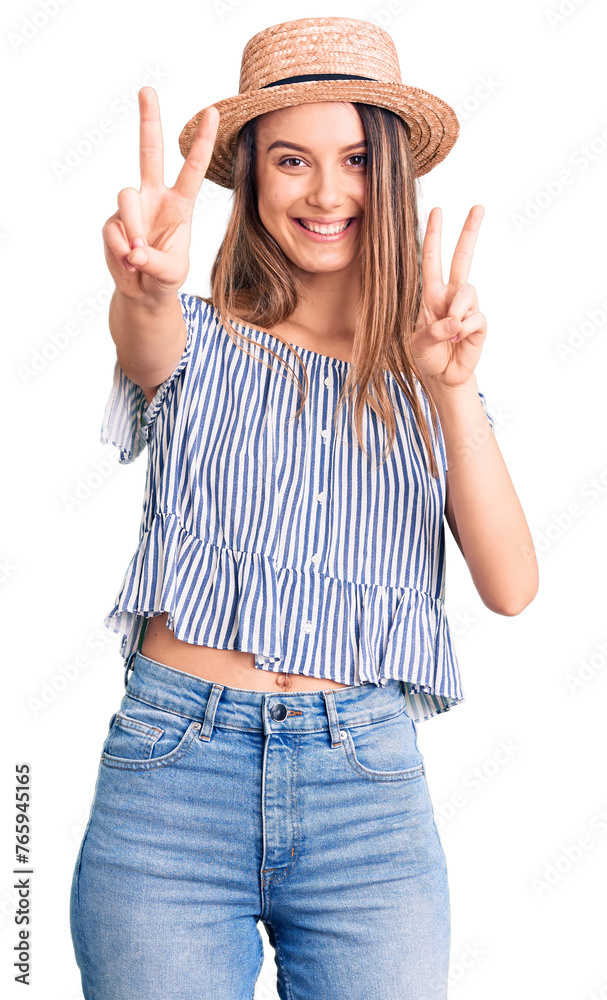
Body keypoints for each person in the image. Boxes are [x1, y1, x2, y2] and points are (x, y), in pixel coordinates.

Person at [69, 16, 538, 1000]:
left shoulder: (426, 374)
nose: (327, 192)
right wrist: (142, 284)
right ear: (249, 177)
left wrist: (450, 390)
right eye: (291, 160)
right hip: (171, 783)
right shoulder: (192, 340)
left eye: (357, 160)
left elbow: (511, 586)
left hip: (364, 798)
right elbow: (144, 331)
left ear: (395, 176)